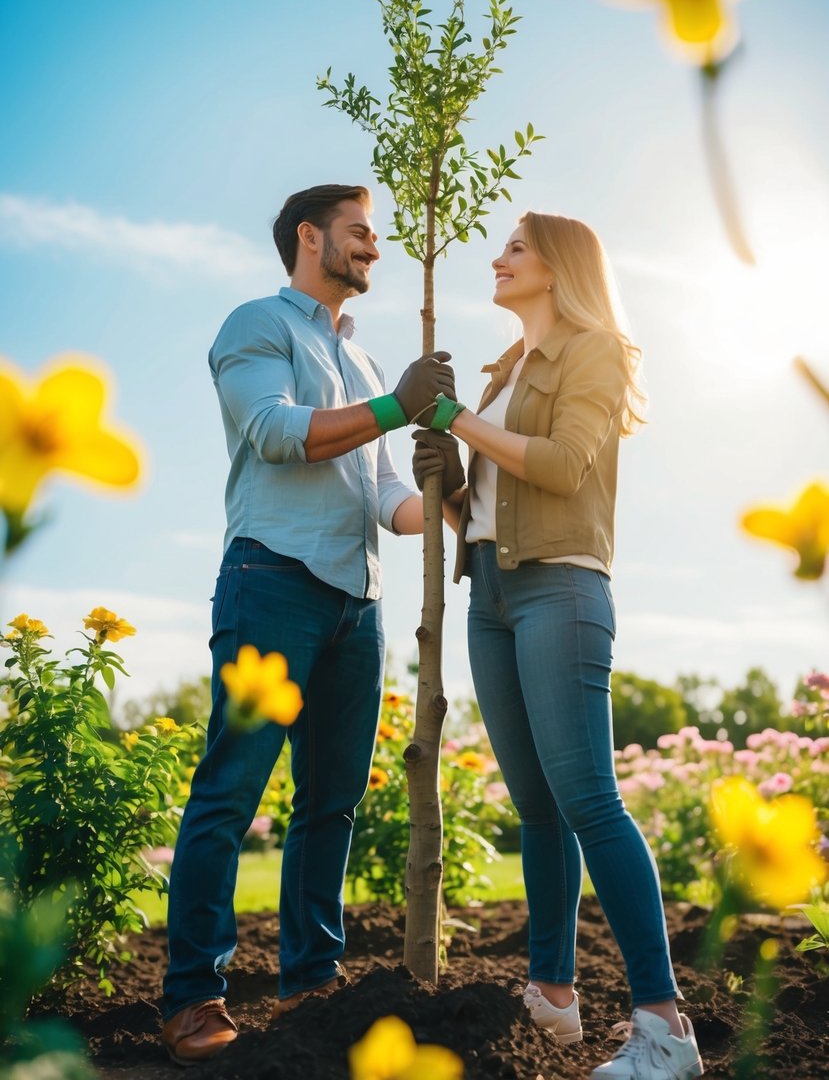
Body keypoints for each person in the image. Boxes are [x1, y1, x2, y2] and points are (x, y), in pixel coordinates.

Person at [161, 183, 455, 1065]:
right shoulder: (257, 325)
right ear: (308, 237)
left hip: (355, 603)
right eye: (359, 233)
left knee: (330, 802)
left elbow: (381, 494)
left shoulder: (365, 368)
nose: (373, 246)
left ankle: (309, 982)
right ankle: (192, 997)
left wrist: (444, 496)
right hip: (272, 581)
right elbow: (276, 431)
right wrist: (399, 410)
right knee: (230, 789)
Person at [413, 212, 704, 1080]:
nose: (496, 259)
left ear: (558, 266)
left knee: (588, 800)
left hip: (561, 589)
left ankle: (662, 1027)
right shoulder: (504, 369)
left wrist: (457, 420)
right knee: (535, 807)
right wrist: (446, 477)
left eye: (514, 248)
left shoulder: (597, 349)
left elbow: (566, 464)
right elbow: (488, 507)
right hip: (490, 593)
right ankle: (553, 1000)